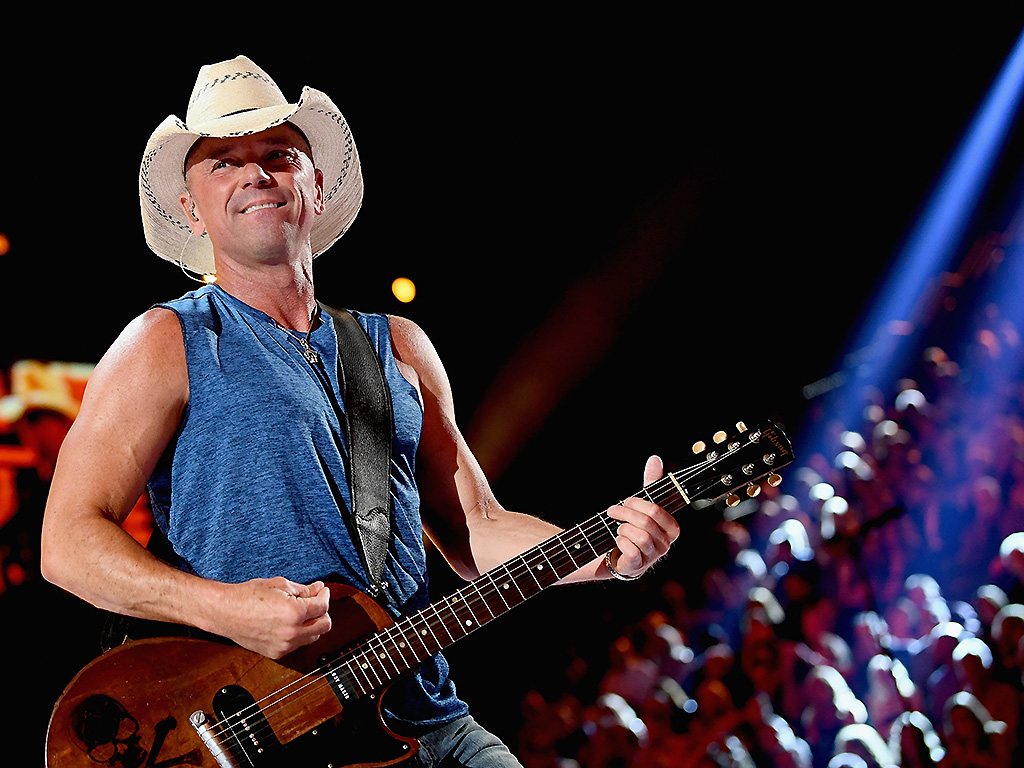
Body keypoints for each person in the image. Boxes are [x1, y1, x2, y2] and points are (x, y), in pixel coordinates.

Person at [39, 56, 680, 767]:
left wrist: (603, 555)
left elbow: (476, 527)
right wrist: (221, 609)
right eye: (224, 162)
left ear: (315, 185)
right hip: (272, 737)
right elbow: (66, 544)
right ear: (191, 208)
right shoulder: (166, 340)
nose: (256, 174)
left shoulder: (397, 347)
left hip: (430, 722)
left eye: (279, 154)